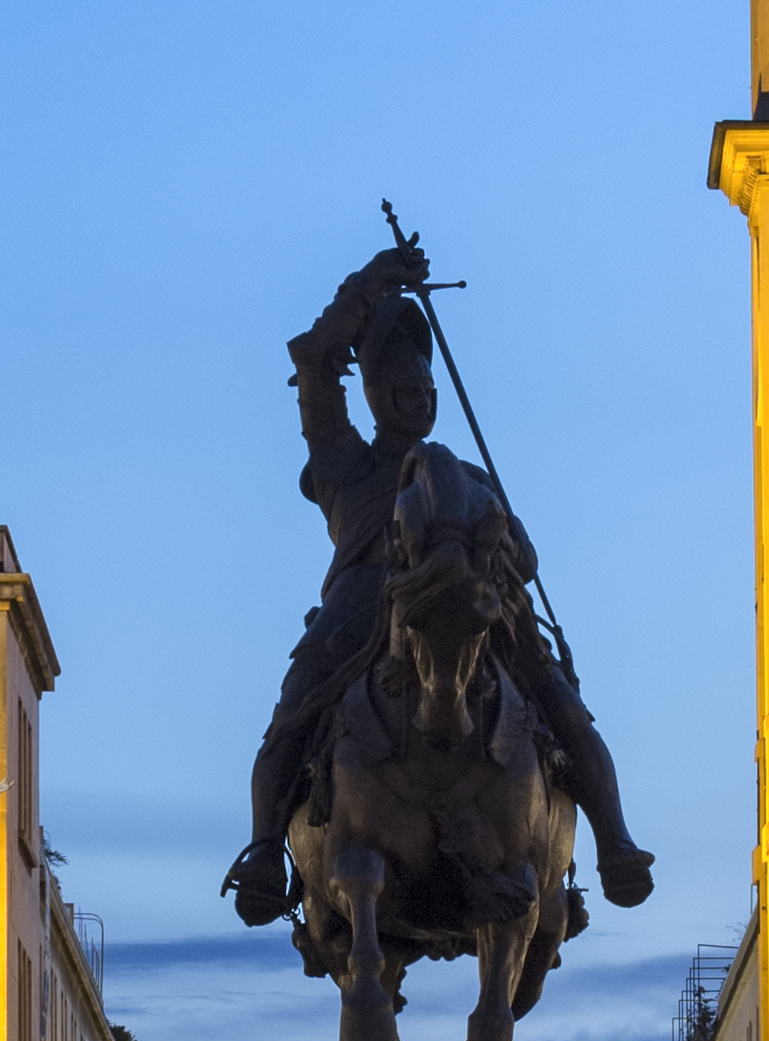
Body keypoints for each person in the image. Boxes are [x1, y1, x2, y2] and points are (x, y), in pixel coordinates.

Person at [226, 241, 654, 927]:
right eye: (404, 392)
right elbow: (313, 360)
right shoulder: (345, 463)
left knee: (559, 701)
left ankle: (614, 842)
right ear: (377, 397)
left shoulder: (468, 476)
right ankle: (264, 851)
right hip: (362, 605)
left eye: (427, 392)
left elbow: (529, 557)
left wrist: (499, 550)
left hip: (476, 599)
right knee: (293, 712)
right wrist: (365, 287)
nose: (420, 402)